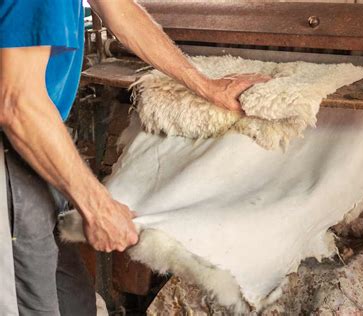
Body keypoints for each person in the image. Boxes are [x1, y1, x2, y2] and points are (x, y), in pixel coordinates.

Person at [0, 1, 269, 315]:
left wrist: (205, 85)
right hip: (13, 146)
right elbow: (16, 104)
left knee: (74, 303)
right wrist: (97, 206)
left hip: (33, 147)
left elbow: (119, 9)